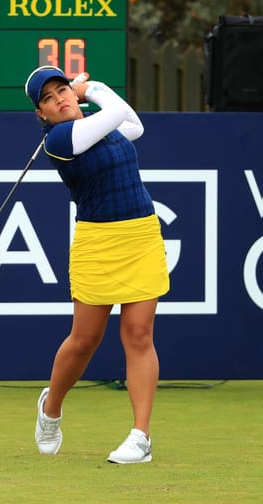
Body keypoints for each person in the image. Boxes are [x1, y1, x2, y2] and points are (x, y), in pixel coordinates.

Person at [24, 65, 170, 463]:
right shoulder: (59, 139)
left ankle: (140, 437)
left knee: (139, 334)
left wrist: (90, 91)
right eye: (49, 99)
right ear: (42, 114)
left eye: (63, 90)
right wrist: (89, 89)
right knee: (85, 340)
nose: (60, 99)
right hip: (97, 244)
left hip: (141, 235)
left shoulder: (98, 126)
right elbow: (118, 110)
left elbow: (133, 125)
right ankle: (51, 407)